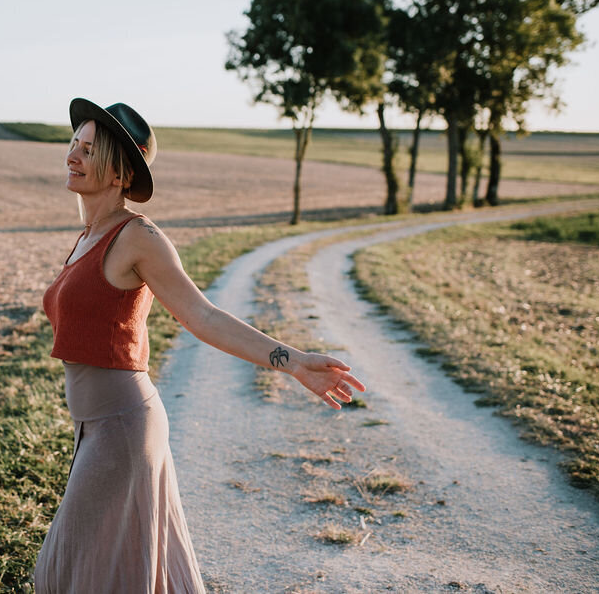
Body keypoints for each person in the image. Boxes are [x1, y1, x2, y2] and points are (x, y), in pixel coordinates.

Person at [34, 98, 365, 593]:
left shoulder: (138, 237)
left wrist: (293, 362)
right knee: (103, 571)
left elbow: (203, 315)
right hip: (93, 427)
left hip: (122, 427)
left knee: (72, 569)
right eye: (74, 145)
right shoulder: (87, 235)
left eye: (89, 150)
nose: (72, 157)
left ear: (122, 173)